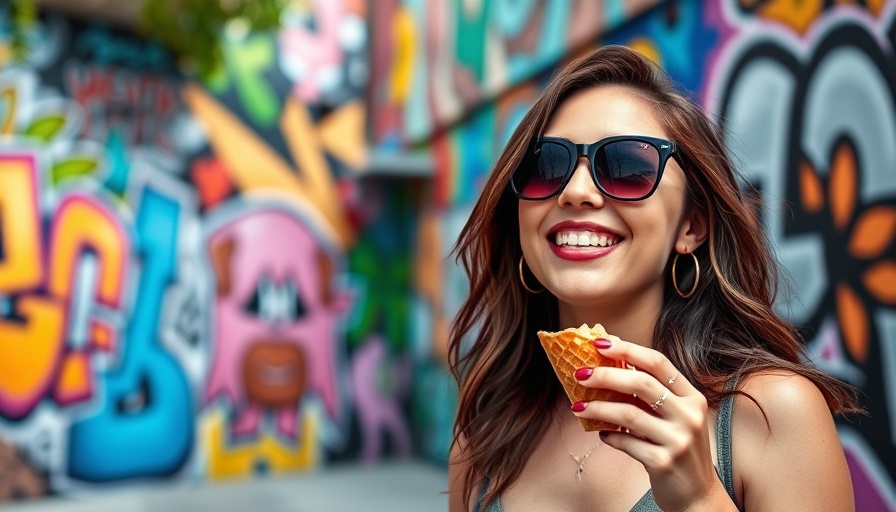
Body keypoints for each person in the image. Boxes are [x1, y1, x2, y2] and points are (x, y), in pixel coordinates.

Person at [446, 45, 861, 512]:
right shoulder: (483, 432)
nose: (576, 192)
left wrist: (700, 498)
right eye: (546, 166)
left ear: (691, 226)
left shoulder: (773, 414)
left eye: (627, 166)